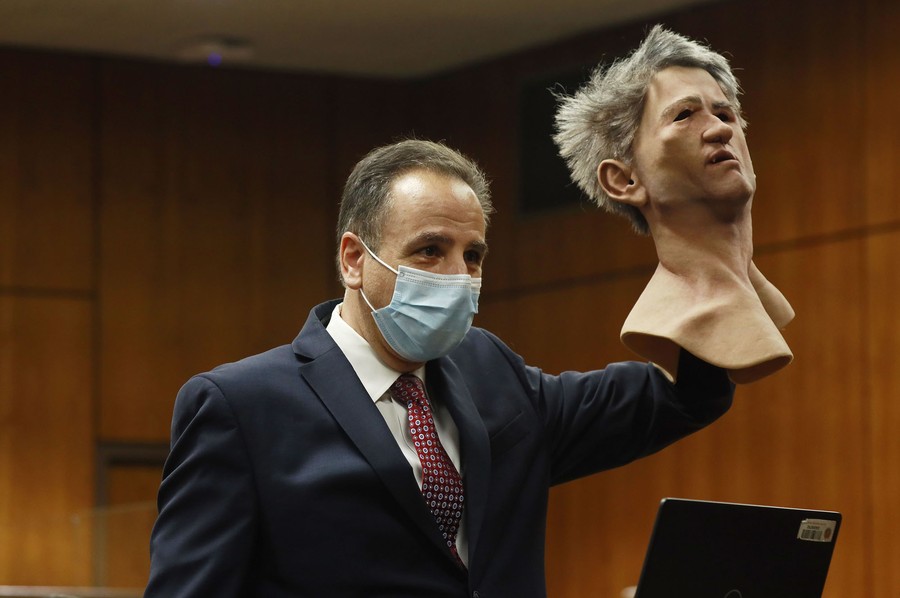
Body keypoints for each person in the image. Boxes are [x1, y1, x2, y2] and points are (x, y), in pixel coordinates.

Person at [146, 88, 735, 598]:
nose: (457, 275)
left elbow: (685, 396)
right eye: (430, 250)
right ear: (354, 259)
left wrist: (704, 230)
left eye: (472, 255)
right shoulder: (241, 406)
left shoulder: (491, 372)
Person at [555, 24, 793, 384]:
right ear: (625, 181)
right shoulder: (666, 322)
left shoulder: (767, 308)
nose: (720, 130)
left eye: (725, 114)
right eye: (684, 115)